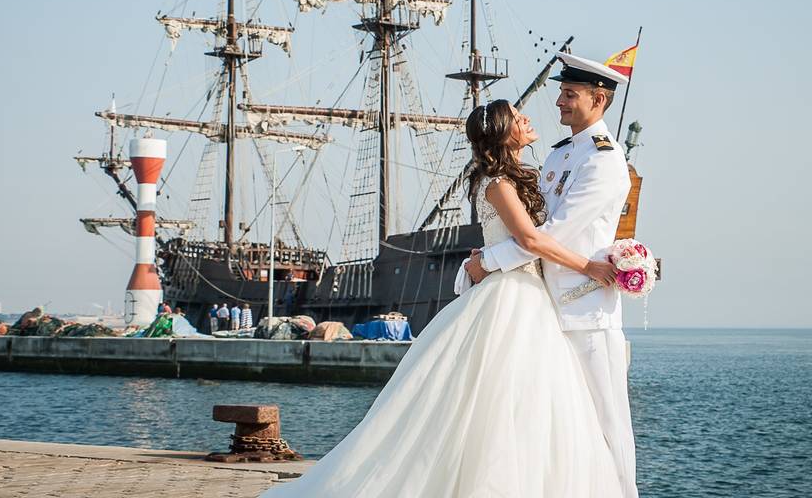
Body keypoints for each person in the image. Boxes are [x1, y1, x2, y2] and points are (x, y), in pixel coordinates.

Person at [261, 94, 622, 497]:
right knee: (497, 397)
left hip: (532, 295)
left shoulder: (526, 175)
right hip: (511, 297)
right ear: (504, 133)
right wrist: (587, 266)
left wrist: (487, 258)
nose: (527, 120)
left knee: (532, 401)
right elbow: (531, 238)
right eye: (518, 118)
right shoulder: (498, 184)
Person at [464, 52, 638, 497]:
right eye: (561, 92)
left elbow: (552, 233)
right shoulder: (562, 155)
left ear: (599, 99)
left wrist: (487, 261)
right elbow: (528, 227)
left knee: (606, 423)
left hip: (583, 307)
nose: (558, 101)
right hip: (540, 306)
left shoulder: (603, 160)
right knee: (557, 426)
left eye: (569, 94)